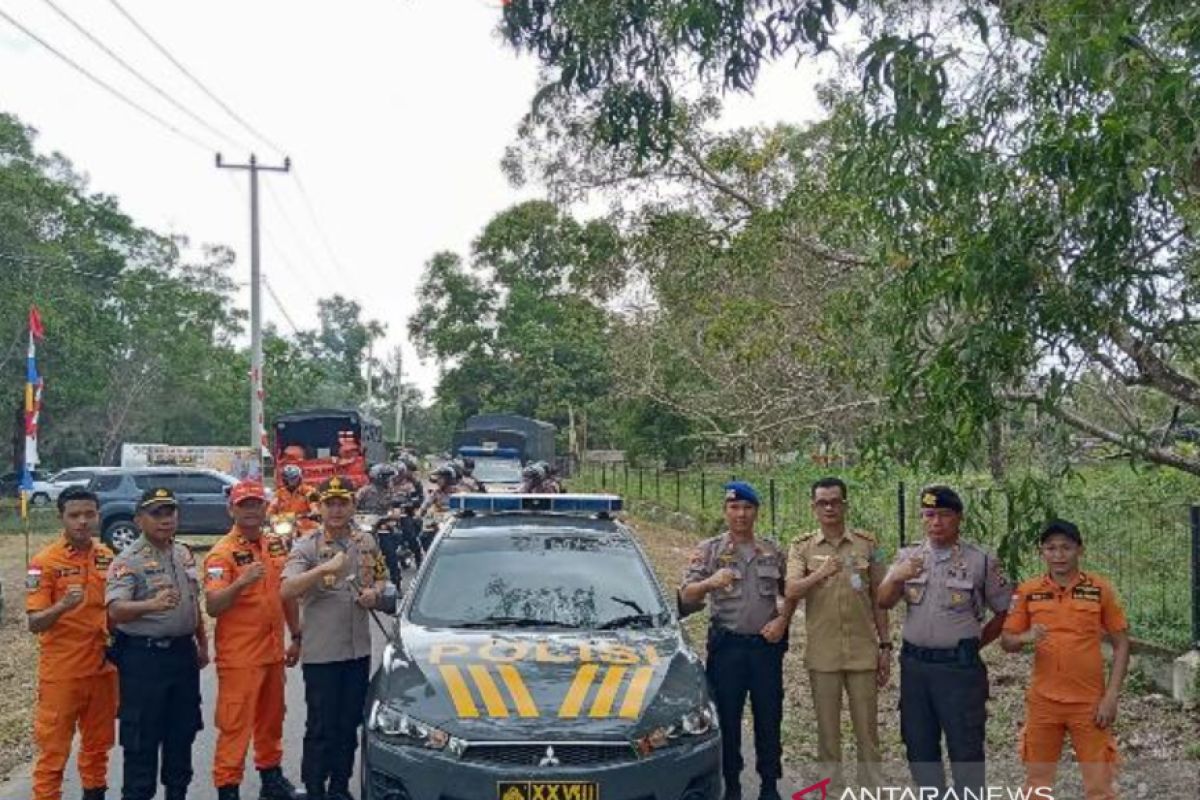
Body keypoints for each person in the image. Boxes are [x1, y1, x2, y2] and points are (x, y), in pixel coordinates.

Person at [877, 486, 1011, 799]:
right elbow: (883, 602)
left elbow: (1005, 612)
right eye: (929, 515)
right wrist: (896, 575)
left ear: (958, 518)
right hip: (915, 668)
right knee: (919, 743)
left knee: (965, 745)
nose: (936, 522)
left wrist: (975, 643)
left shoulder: (980, 560)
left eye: (944, 515)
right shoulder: (908, 557)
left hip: (959, 670)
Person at [1001, 519, 1130, 800]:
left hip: (1090, 704)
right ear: (1041, 552)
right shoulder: (1028, 591)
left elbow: (1122, 645)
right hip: (1044, 703)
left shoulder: (1099, 589)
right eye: (1051, 548)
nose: (1058, 555)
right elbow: (1007, 641)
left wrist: (1111, 696)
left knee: (1100, 786)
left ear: (1079, 550)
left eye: (1066, 548)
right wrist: (1025, 637)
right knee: (1037, 784)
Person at [281, 476, 391, 800]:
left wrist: (375, 592)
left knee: (348, 726)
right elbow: (286, 590)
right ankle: (315, 788)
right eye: (330, 503)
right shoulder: (307, 545)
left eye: (343, 502)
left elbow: (383, 577)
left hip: (357, 651)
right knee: (321, 728)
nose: (337, 509)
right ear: (320, 507)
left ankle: (339, 787)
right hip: (323, 654)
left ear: (353, 505)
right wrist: (322, 569)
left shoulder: (366, 542)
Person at [679, 482, 789, 800]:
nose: (741, 514)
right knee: (727, 718)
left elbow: (788, 594)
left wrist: (782, 619)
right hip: (727, 648)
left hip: (765, 650)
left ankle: (769, 784)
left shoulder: (772, 550)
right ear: (725, 511)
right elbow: (686, 594)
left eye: (747, 508)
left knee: (769, 717)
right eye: (734, 508)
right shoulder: (710, 550)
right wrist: (710, 582)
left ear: (756, 512)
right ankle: (733, 785)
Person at [784, 477, 889, 792]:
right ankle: (831, 791)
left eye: (835, 501)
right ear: (813, 507)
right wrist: (820, 573)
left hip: (863, 653)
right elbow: (790, 589)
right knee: (828, 733)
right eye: (822, 502)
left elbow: (880, 600)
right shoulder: (801, 546)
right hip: (824, 654)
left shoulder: (868, 545)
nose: (829, 507)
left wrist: (886, 646)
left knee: (868, 732)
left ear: (845, 504)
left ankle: (873, 789)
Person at [106, 487, 209, 800]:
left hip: (182, 655)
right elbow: (115, 610)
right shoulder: (128, 561)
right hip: (144, 659)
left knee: (182, 732)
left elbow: (192, 604)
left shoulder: (183, 553)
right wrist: (151, 605)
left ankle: (177, 792)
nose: (165, 520)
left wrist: (202, 643)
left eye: (170, 512)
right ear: (139, 520)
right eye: (157, 514)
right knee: (142, 738)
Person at [204, 481, 304, 800]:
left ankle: (271, 780)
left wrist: (296, 635)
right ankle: (228, 788)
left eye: (256, 504)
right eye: (244, 505)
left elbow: (286, 594)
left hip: (273, 651)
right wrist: (240, 583)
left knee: (272, 720)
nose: (251, 511)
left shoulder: (275, 544)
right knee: (235, 726)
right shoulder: (222, 554)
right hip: (240, 658)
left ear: (265, 509)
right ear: (231, 509)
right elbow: (213, 605)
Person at [26, 486, 118, 800]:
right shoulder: (44, 562)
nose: (82, 522)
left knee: (98, 748)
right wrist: (63, 605)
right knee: (53, 752)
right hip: (63, 673)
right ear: (61, 518)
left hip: (103, 671)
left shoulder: (108, 557)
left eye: (89, 514)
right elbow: (34, 622)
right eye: (74, 515)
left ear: (97, 516)